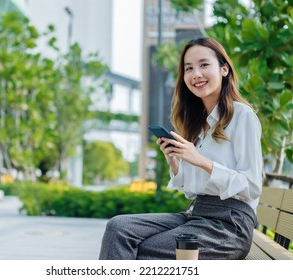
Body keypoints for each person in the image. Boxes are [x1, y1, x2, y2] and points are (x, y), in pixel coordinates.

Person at [98, 37, 263, 260]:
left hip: (229, 225)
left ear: (224, 69)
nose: (196, 74)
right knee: (119, 228)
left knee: (144, 251)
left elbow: (251, 186)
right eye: (189, 68)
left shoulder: (242, 116)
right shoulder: (200, 124)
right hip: (197, 214)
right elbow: (192, 191)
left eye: (204, 65)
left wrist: (200, 160)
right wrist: (175, 162)